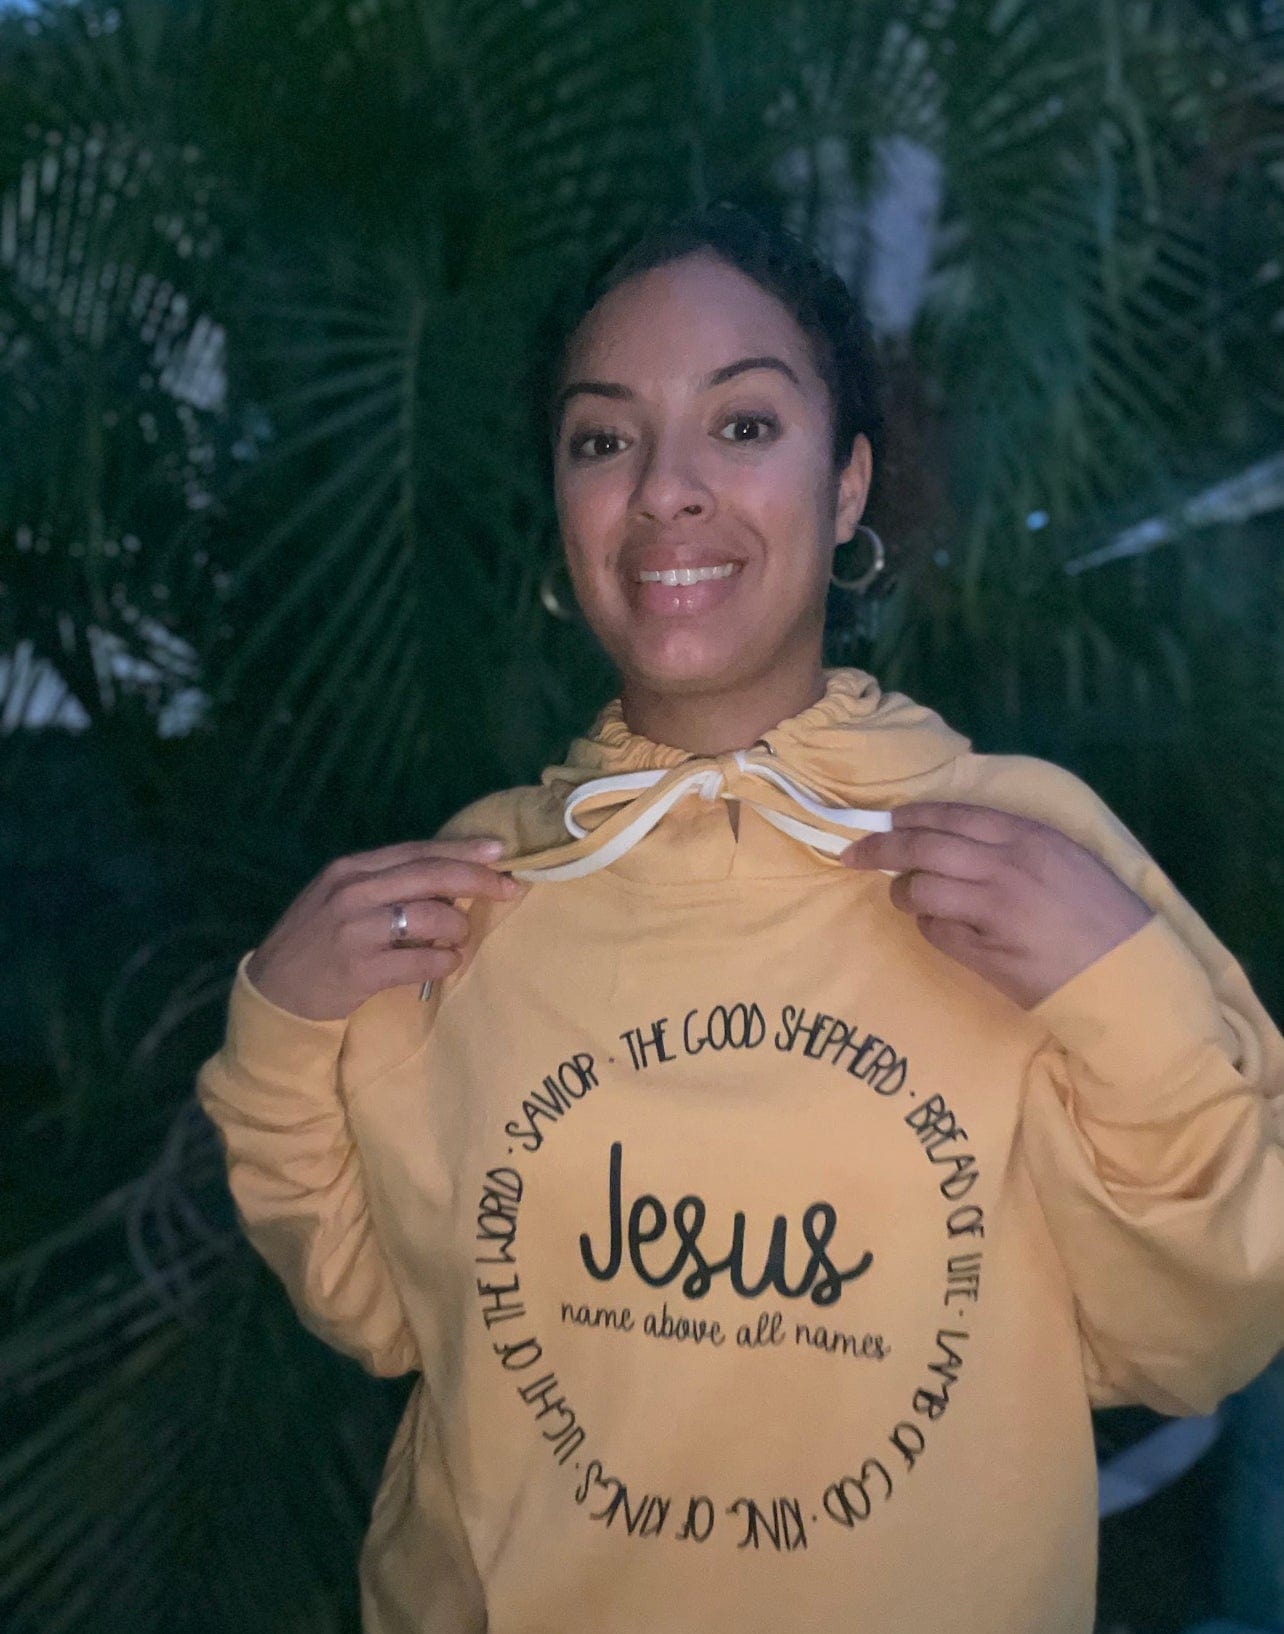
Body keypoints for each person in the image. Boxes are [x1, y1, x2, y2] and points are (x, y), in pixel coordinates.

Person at [195, 203, 1284, 1634]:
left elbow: (1203, 1330)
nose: (666, 490)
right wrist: (280, 1026)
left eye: (745, 425)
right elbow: (376, 1305)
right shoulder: (475, 882)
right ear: (563, 502)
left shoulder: (1028, 849)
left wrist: (1122, 990)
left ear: (848, 484)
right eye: (603, 440)